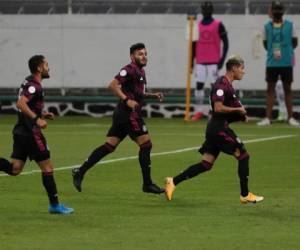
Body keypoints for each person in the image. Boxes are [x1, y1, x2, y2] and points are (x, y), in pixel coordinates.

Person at [165, 55, 264, 204]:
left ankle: (172, 182)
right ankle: (245, 195)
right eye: (242, 68)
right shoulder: (221, 85)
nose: (244, 72)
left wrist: (240, 114)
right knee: (243, 156)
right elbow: (218, 108)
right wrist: (237, 109)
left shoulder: (229, 86)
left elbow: (229, 110)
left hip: (216, 128)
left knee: (206, 164)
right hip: (218, 129)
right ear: (234, 68)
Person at [72, 43, 164, 194]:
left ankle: (80, 172)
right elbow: (113, 85)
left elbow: (136, 93)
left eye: (145, 54)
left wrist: (152, 95)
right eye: (140, 54)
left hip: (122, 114)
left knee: (109, 146)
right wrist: (127, 100)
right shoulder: (128, 69)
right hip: (129, 114)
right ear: (132, 56)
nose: (144, 56)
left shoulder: (140, 71)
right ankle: (147, 184)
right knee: (146, 145)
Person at [0, 55, 74, 214]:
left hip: (20, 131)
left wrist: (42, 113)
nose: (49, 67)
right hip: (30, 132)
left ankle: (54, 205)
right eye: (46, 65)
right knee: (47, 167)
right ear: (39, 68)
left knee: (15, 169)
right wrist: (37, 119)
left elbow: (26, 104)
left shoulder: (28, 81)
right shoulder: (35, 86)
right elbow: (21, 103)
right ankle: (54, 206)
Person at [258, 1, 299, 126]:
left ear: (282, 11)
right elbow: (265, 44)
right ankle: (267, 118)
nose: (277, 12)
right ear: (272, 11)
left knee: (288, 89)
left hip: (286, 62)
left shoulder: (290, 25)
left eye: (279, 9)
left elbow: (295, 42)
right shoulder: (266, 27)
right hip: (272, 62)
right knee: (270, 89)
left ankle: (291, 117)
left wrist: (286, 51)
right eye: (275, 9)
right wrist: (273, 51)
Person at [191, 1, 229, 121]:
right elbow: (193, 45)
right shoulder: (196, 25)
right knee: (199, 86)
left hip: (214, 61)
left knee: (215, 88)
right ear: (202, 10)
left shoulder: (218, 24)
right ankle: (199, 111)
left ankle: (214, 111)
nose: (206, 11)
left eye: (208, 9)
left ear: (212, 10)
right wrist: (192, 61)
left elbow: (226, 43)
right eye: (204, 9)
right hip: (201, 61)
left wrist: (222, 60)